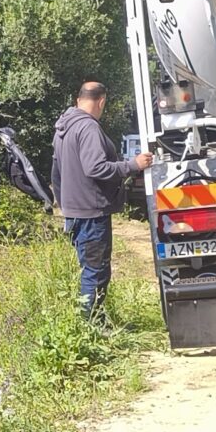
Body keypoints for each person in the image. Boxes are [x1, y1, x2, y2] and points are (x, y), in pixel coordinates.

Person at [52, 80, 147, 316]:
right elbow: (95, 167)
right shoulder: (88, 128)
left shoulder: (63, 128)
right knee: (95, 273)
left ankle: (93, 320)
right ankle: (90, 325)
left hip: (75, 212)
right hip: (92, 213)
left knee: (90, 269)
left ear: (78, 100)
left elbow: (56, 173)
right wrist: (132, 165)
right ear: (101, 101)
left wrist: (65, 206)